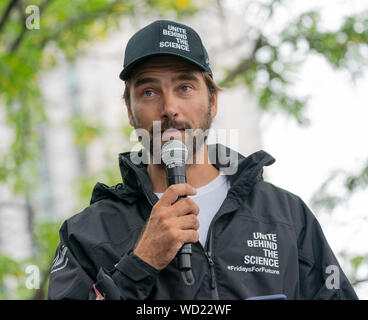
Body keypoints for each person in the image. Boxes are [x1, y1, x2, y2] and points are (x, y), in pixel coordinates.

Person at [48, 20, 358, 300]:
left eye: (184, 87)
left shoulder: (286, 217)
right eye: (149, 92)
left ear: (213, 100)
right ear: (130, 112)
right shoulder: (86, 234)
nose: (169, 107)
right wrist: (140, 263)